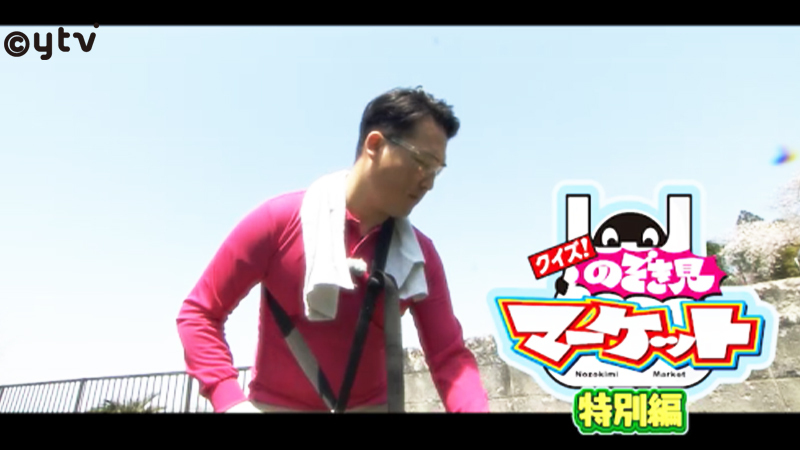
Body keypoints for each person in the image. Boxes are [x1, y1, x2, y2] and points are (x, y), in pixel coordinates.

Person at [176, 86, 490, 413]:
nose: (429, 182)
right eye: (421, 162)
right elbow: (199, 313)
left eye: (437, 169)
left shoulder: (419, 258)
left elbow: (449, 357)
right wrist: (228, 399)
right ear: (375, 145)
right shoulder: (279, 221)